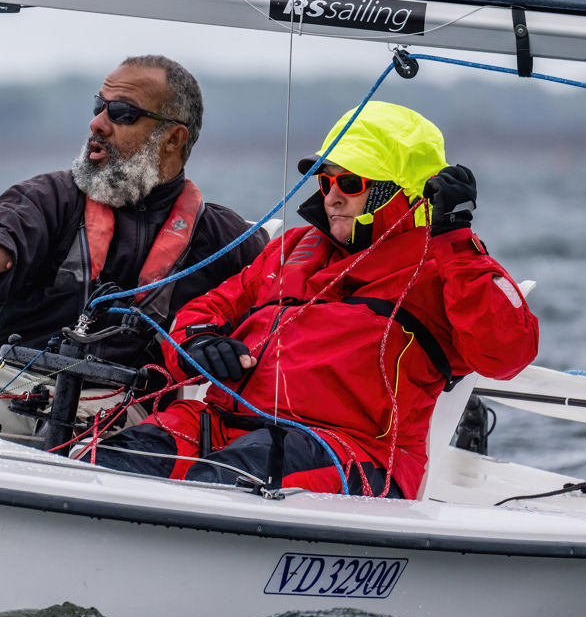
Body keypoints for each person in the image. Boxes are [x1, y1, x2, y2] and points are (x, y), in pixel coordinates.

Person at [87, 101, 539, 499]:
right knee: (105, 462)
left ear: (402, 191)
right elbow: (204, 312)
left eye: (351, 182)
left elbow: (507, 354)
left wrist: (456, 238)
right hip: (221, 425)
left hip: (351, 453)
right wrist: (201, 342)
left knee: (227, 478)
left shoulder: (446, 267)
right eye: (325, 183)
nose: (333, 196)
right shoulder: (294, 247)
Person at [0, 55, 268, 441]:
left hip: (116, 410)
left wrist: (216, 345)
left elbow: (285, 319)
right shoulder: (49, 198)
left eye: (121, 113)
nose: (97, 123)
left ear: (173, 139)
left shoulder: (226, 239)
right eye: (98, 106)